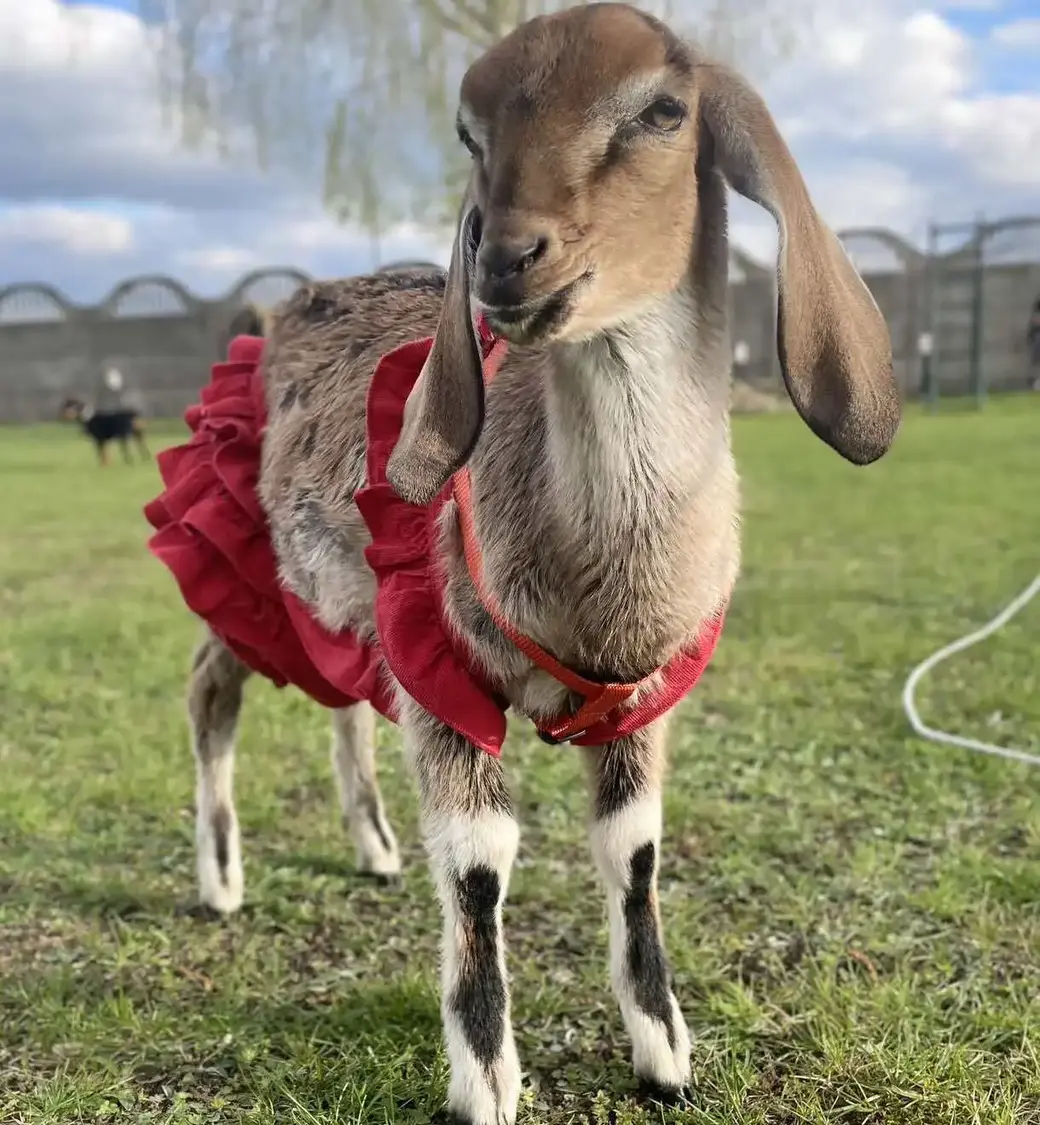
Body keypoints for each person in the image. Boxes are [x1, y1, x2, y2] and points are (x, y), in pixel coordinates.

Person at [1028, 298, 1040, 390]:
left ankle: (1035, 383)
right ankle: (1035, 383)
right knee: (1036, 364)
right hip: (1037, 342)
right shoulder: (1036, 318)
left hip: (1036, 341)